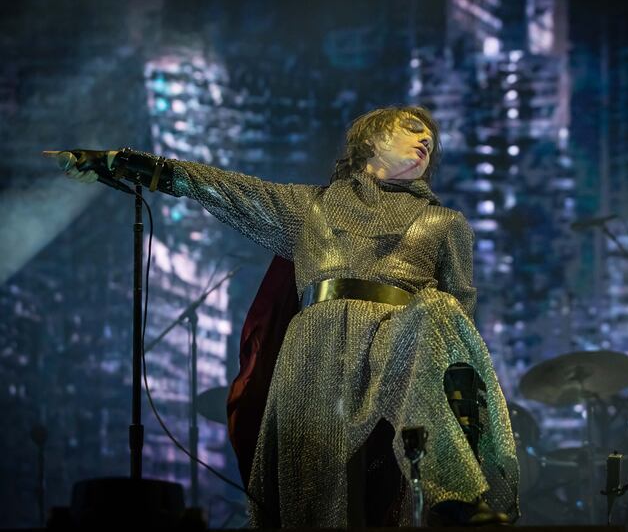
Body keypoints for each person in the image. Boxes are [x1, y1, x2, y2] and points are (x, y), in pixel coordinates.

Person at [56, 105, 519, 527]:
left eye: (431, 141)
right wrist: (124, 163)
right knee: (312, 494)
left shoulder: (446, 223)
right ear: (371, 140)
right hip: (316, 349)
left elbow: (460, 315)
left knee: (436, 314)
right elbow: (222, 187)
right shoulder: (310, 207)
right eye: (413, 130)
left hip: (402, 347)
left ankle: (456, 495)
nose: (426, 141)